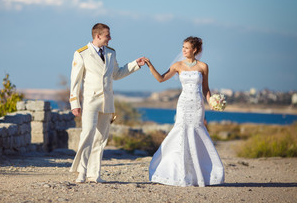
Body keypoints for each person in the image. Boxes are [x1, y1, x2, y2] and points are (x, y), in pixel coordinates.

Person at [69, 23, 145, 183]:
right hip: (90, 100)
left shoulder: (111, 53)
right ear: (98, 36)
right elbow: (75, 81)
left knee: (101, 139)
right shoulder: (81, 54)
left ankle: (94, 174)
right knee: (87, 135)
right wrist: (74, 102)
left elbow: (116, 74)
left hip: (107, 101)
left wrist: (135, 64)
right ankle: (81, 172)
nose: (110, 38)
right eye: (107, 35)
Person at [144, 36, 224, 187]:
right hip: (183, 104)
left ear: (195, 50)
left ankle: (202, 174)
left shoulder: (203, 66)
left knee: (197, 133)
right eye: (183, 47)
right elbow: (161, 79)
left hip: (197, 105)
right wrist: (149, 65)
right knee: (180, 133)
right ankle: (175, 173)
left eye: (187, 48)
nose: (183, 50)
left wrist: (212, 102)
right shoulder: (177, 66)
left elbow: (206, 89)